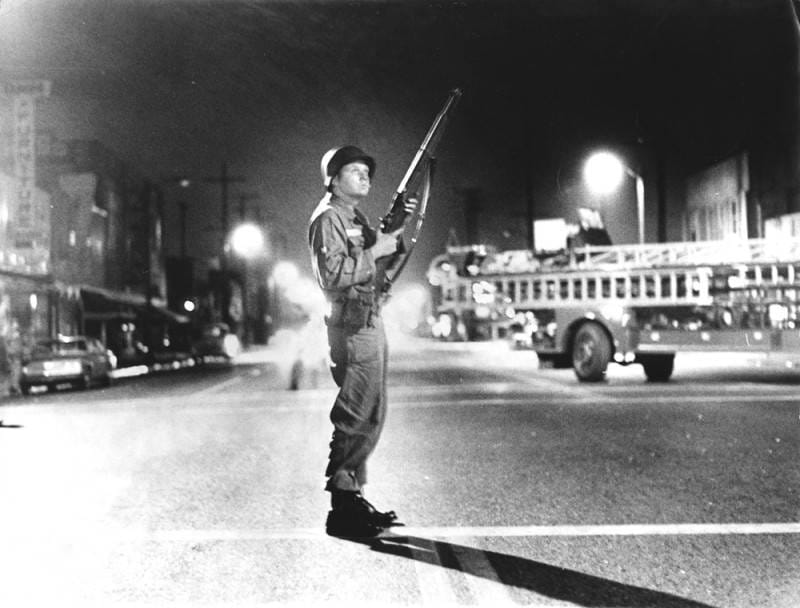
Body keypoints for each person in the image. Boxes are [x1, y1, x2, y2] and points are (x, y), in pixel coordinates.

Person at [308, 145, 410, 537]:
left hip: (369, 317)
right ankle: (342, 505)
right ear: (332, 179)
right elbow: (331, 276)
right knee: (355, 412)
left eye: (366, 170)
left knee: (372, 410)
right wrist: (376, 250)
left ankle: (353, 496)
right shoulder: (328, 218)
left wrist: (390, 238)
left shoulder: (355, 217)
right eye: (353, 170)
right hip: (351, 325)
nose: (364, 175)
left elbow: (373, 263)